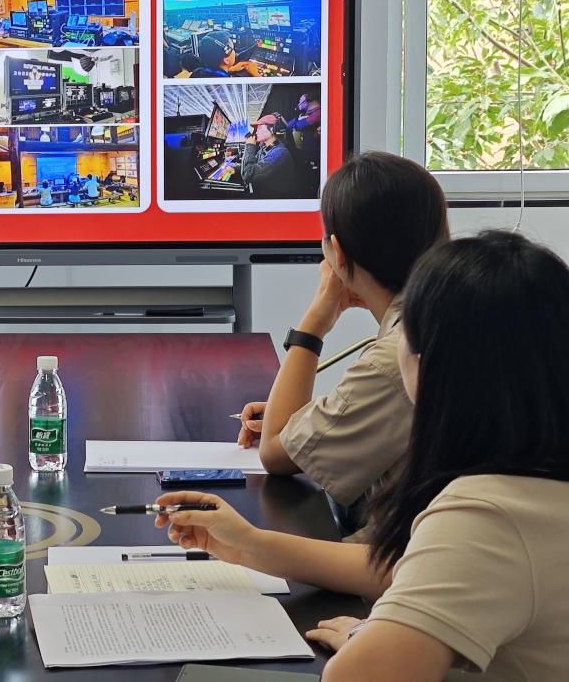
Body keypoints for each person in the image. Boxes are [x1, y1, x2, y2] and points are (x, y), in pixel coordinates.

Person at [157, 230, 569, 681]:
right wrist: (250, 544)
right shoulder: (533, 483)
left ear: (427, 364)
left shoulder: (488, 515)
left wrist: (366, 645)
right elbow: (407, 569)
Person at [236, 152, 448, 532]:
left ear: (338, 252)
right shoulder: (449, 316)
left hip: (399, 556)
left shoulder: (395, 356)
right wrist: (312, 419)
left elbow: (276, 453)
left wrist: (315, 322)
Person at [240, 113, 297, 197]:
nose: (256, 132)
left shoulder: (279, 153)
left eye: (259, 128)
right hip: (264, 191)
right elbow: (255, 164)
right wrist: (235, 168)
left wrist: (249, 146)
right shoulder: (265, 148)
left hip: (273, 198)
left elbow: (248, 175)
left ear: (272, 129)